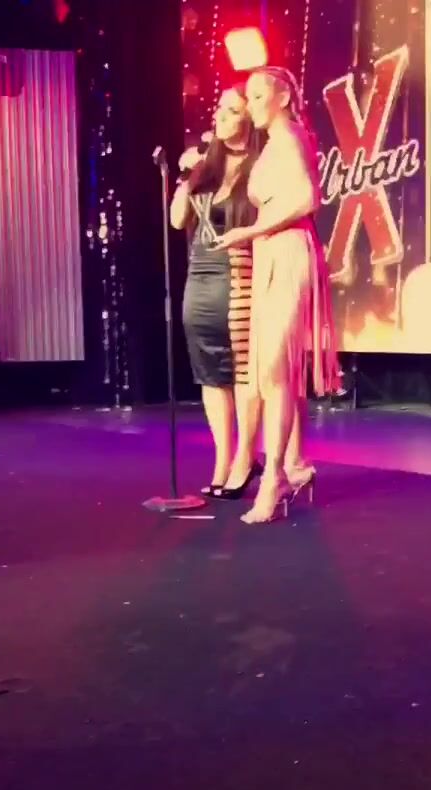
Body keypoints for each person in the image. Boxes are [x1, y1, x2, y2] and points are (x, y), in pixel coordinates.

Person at [212, 66, 340, 523]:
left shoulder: (289, 136)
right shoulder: (273, 143)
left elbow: (308, 198)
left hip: (287, 252)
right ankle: (290, 465)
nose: (252, 105)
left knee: (274, 368)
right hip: (269, 252)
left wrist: (250, 230)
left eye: (258, 95)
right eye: (248, 97)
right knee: (271, 373)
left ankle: (274, 478)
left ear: (283, 97)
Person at [170, 84, 265, 497]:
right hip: (201, 275)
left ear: (249, 119)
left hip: (240, 273)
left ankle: (246, 457)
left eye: (232, 110)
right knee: (210, 373)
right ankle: (222, 462)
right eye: (219, 109)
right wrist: (185, 177)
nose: (221, 117)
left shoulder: (260, 165)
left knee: (242, 371)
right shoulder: (206, 167)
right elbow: (178, 220)